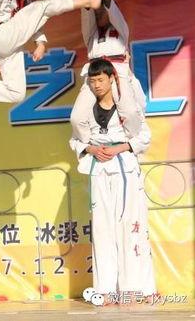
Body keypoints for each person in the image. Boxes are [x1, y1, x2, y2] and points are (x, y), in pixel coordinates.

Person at [69, 59, 156, 305]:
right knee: (102, 229)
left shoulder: (127, 108)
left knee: (130, 227)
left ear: (111, 79)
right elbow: (75, 140)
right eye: (92, 81)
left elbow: (144, 137)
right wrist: (91, 148)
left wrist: (120, 147)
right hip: (99, 171)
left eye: (100, 80)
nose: (97, 85)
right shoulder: (86, 112)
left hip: (125, 169)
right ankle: (106, 289)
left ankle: (133, 289)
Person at [70, 0, 145, 143]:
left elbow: (117, 16)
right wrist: (87, 4)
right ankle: (89, 143)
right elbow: (87, 20)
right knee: (76, 117)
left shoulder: (121, 30)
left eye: (101, 13)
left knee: (130, 112)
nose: (98, 16)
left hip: (116, 72)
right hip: (95, 73)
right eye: (96, 14)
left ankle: (130, 143)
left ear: (109, 13)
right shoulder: (91, 35)